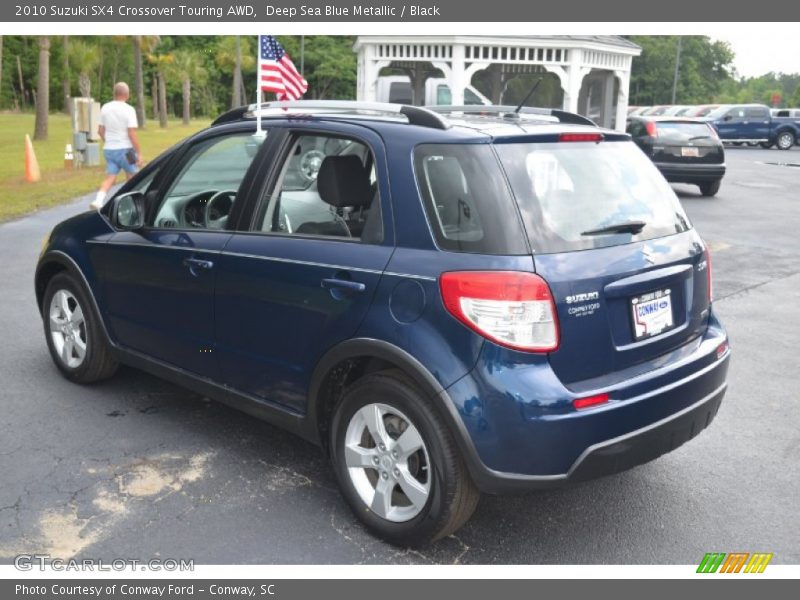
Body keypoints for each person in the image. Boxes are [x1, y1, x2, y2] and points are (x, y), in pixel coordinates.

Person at [90, 82, 143, 210]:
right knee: (133, 177)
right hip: (127, 150)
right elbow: (131, 133)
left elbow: (100, 131)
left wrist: (108, 141)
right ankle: (130, 205)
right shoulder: (129, 109)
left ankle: (98, 200)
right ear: (127, 94)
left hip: (109, 150)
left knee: (110, 177)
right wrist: (139, 153)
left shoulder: (105, 108)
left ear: (115, 93)